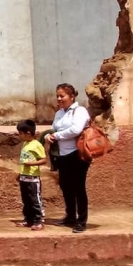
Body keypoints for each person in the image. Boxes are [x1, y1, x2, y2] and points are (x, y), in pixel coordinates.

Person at [45, 83, 91, 233]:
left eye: (62, 96)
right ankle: (70, 216)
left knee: (78, 187)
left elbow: (76, 129)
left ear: (72, 97)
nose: (59, 98)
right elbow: (53, 129)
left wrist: (56, 136)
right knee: (65, 186)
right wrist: (48, 135)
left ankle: (81, 221)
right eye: (57, 95)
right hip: (62, 155)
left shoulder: (80, 111)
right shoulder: (59, 113)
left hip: (77, 154)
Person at [14, 119, 47, 231]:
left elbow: (43, 160)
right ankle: (28, 219)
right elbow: (24, 161)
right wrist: (20, 174)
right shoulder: (25, 144)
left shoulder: (36, 145)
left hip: (33, 179)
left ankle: (39, 221)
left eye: (21, 133)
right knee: (26, 200)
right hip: (24, 177)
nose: (20, 135)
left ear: (28, 133)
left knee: (35, 200)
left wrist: (32, 163)